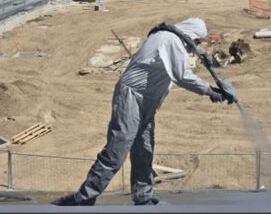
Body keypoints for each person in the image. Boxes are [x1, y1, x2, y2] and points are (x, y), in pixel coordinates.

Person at [52, 19, 232, 206]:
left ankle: (143, 196)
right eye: (197, 41)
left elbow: (180, 70)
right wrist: (209, 91)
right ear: (191, 34)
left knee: (144, 150)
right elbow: (182, 75)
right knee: (117, 149)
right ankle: (83, 198)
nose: (196, 45)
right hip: (132, 96)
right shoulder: (169, 39)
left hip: (146, 101)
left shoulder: (173, 41)